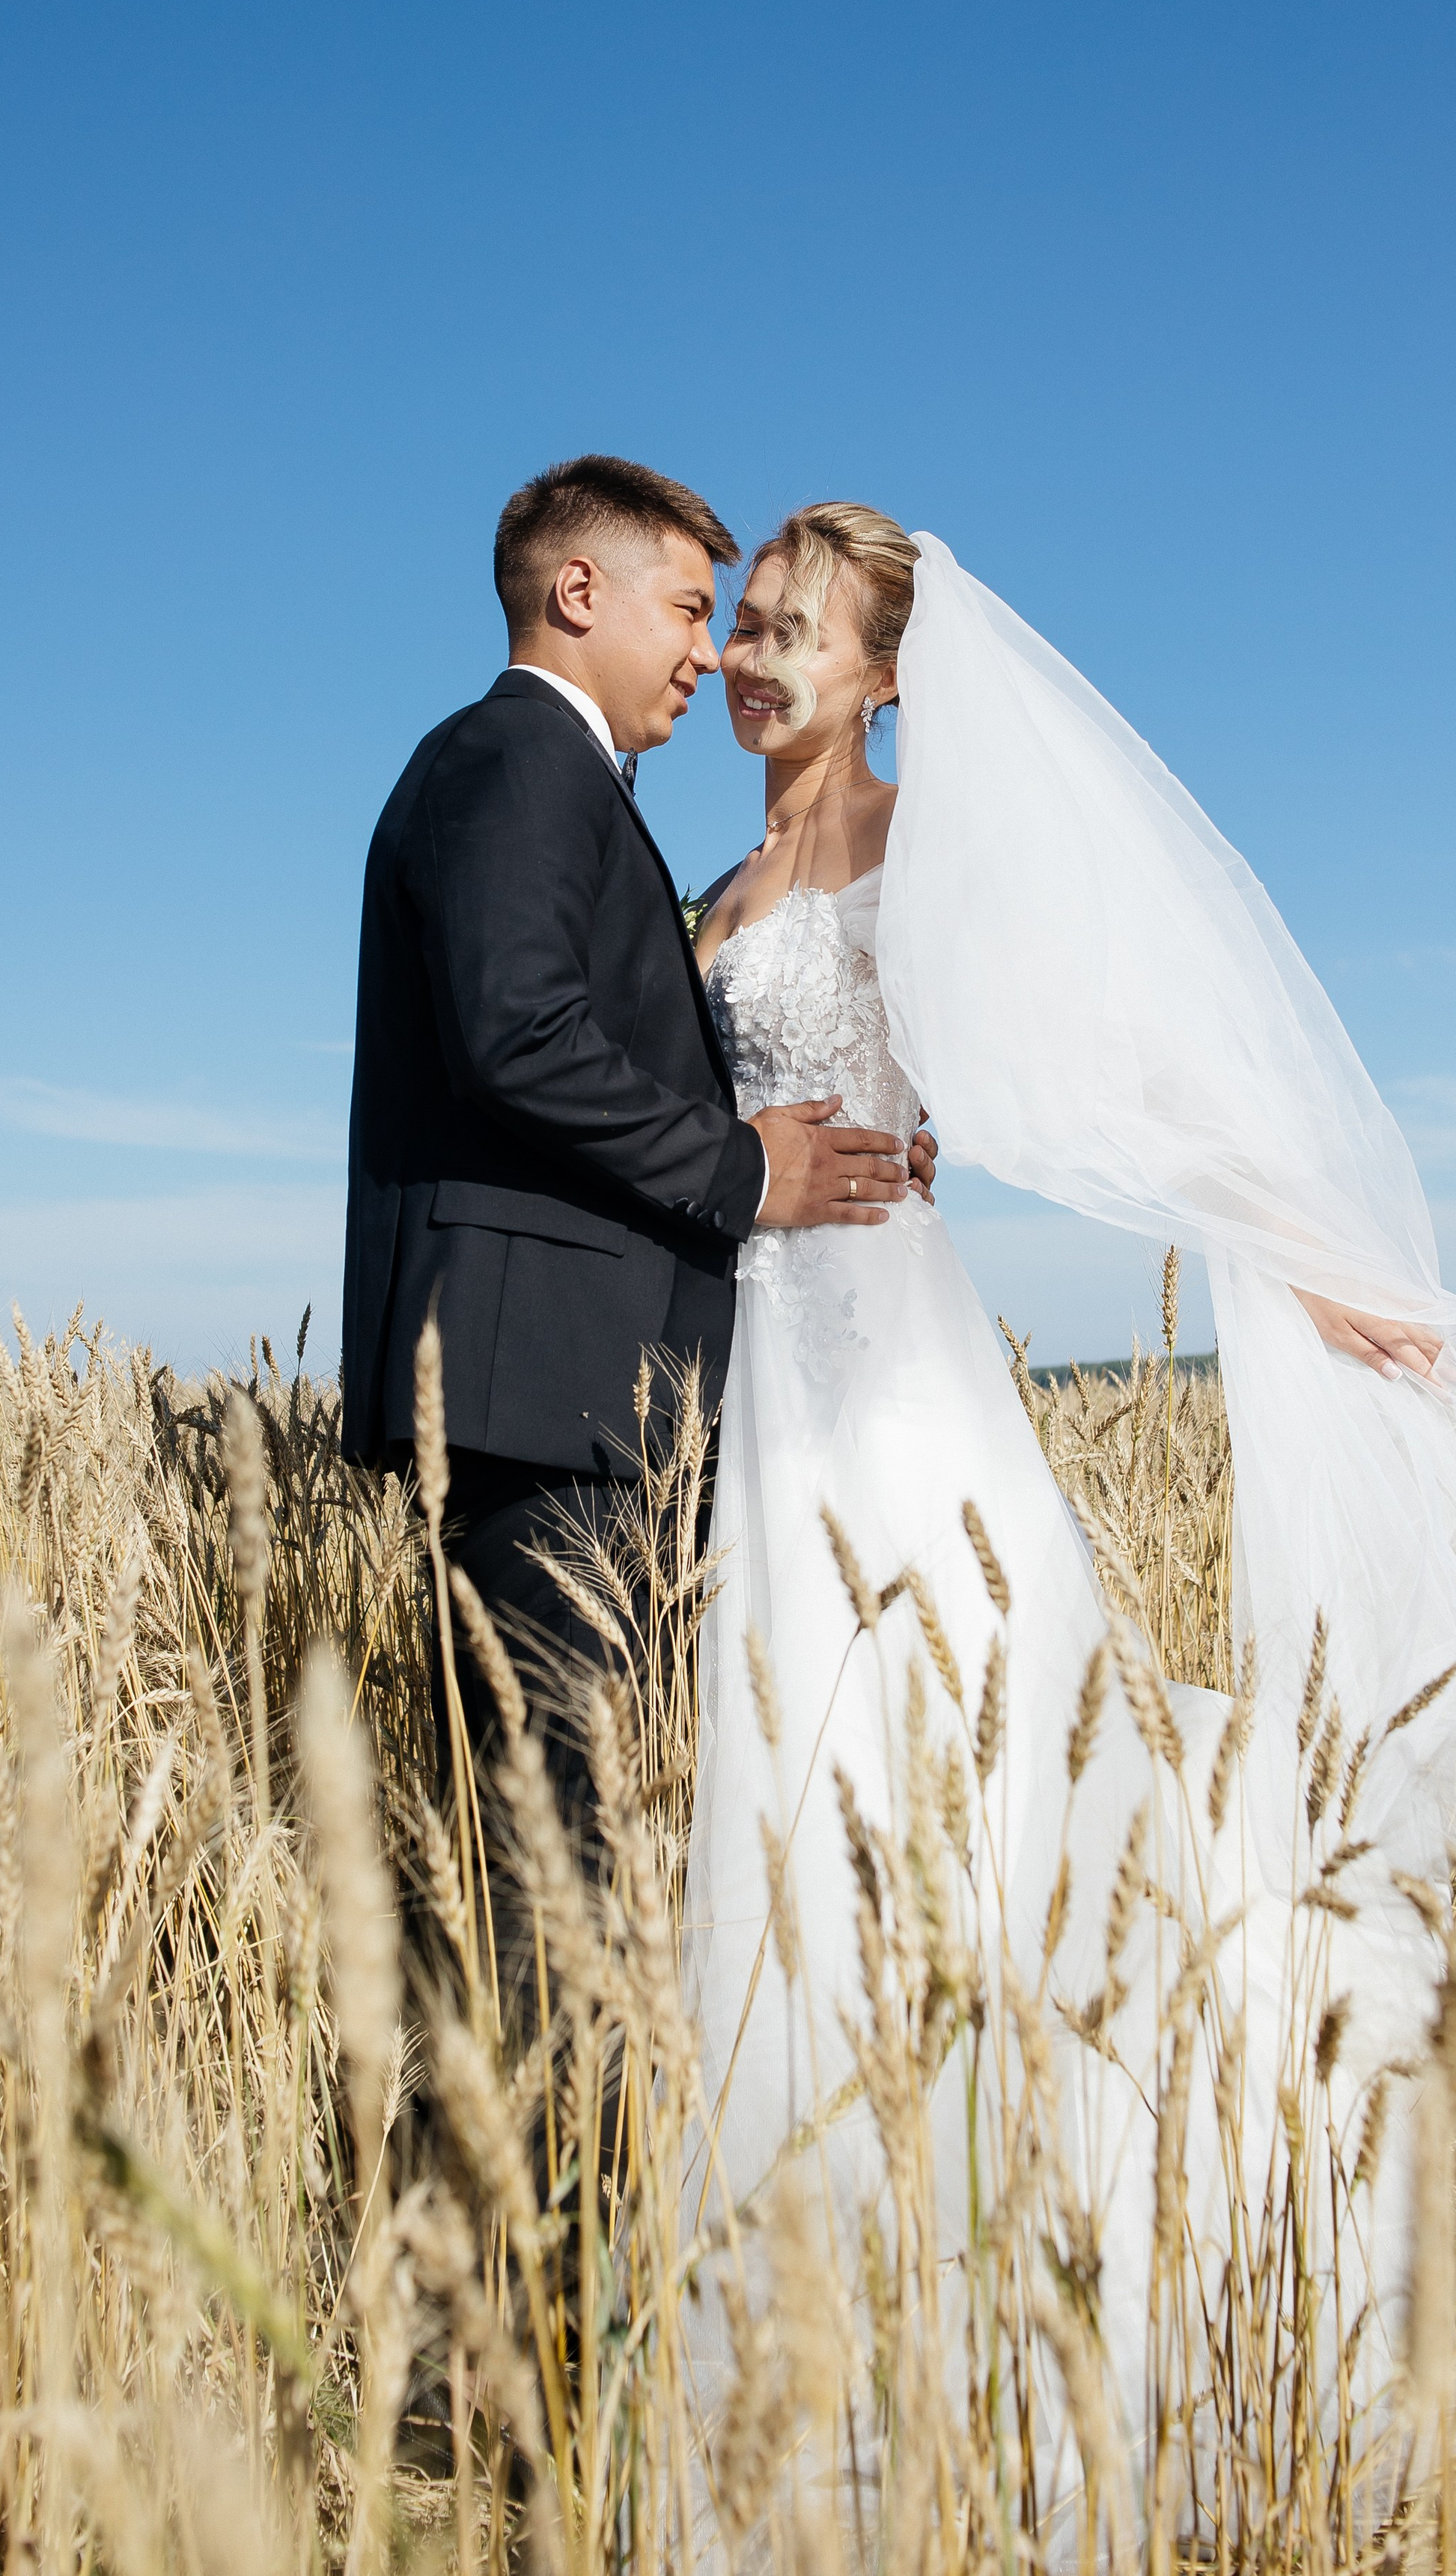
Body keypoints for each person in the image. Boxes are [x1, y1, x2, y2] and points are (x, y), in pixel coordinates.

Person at [680, 503, 1456, 2536]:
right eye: (742, 620)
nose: (754, 655)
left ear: (890, 669)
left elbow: (1140, 1094)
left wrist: (1348, 1281)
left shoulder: (925, 860)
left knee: (969, 1816)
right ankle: (813, 2343)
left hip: (903, 1387)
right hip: (759, 1389)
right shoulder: (719, 888)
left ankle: (1040, 2338)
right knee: (782, 1821)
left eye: (796, 629)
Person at [338, 455, 934, 1999]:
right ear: (578, 593)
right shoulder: (524, 764)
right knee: (563, 1864)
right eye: (701, 611)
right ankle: (546, 2222)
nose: (717, 652)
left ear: (881, 675)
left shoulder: (581, 792)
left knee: (619, 1838)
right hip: (560, 1396)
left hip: (732, 1383)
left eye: (764, 626)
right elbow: (519, 1035)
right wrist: (744, 1173)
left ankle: (582, 2195)